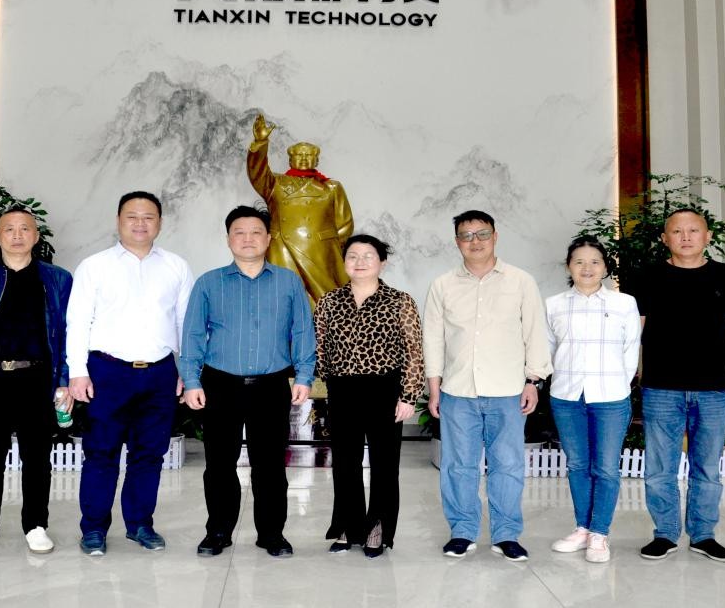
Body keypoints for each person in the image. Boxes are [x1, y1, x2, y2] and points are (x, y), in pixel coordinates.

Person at [180, 205, 316, 558]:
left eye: (256, 232)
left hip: (271, 385)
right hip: (220, 384)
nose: (248, 239)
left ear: (268, 238)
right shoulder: (209, 283)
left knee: (270, 465)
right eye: (239, 232)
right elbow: (192, 335)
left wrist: (304, 375)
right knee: (219, 465)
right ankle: (218, 531)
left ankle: (271, 534)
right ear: (228, 239)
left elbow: (303, 331)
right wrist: (191, 381)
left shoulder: (288, 281)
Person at [66, 192, 194, 557]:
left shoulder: (176, 267)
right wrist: (78, 372)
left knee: (149, 454)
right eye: (132, 216)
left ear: (160, 223)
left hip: (159, 373)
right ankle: (94, 528)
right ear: (118, 220)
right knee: (101, 453)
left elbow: (186, 324)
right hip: (107, 371)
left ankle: (140, 524)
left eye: (148, 217)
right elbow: (78, 322)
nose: (140, 223)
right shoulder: (94, 266)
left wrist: (186, 370)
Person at [423, 210, 552, 561]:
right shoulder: (443, 285)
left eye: (482, 234)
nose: (475, 241)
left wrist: (533, 381)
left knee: (507, 464)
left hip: (508, 390)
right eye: (467, 235)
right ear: (457, 242)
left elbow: (534, 333)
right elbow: (433, 339)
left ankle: (506, 534)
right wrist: (434, 388)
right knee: (457, 466)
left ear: (495, 237)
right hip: (457, 390)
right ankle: (462, 531)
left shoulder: (520, 281)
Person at [0, 206, 73, 555]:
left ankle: (36, 525)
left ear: (36, 236)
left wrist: (64, 381)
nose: (17, 235)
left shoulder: (57, 279)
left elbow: (69, 333)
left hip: (39, 378)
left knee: (37, 457)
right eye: (9, 229)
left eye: (25, 229)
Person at [635, 209, 725, 563]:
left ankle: (703, 535)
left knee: (707, 468)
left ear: (707, 236)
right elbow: (638, 327)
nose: (685, 237)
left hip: (711, 387)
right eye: (677, 231)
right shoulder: (649, 276)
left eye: (693, 230)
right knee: (660, 468)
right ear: (664, 238)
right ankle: (665, 534)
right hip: (661, 386)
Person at [315, 234, 424, 558]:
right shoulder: (329, 301)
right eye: (353, 256)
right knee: (344, 464)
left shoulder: (400, 301)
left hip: (385, 392)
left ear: (382, 262)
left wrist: (408, 396)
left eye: (368, 256)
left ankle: (378, 528)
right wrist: (329, 382)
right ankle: (348, 526)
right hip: (342, 391)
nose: (359, 262)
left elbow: (414, 352)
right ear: (344, 262)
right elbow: (319, 348)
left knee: (385, 465)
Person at [545, 236, 640, 563]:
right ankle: (582, 528)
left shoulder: (624, 303)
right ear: (569, 266)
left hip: (611, 396)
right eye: (579, 262)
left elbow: (631, 350)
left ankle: (600, 533)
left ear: (606, 267)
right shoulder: (554, 304)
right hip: (567, 396)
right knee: (577, 465)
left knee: (606, 468)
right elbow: (548, 350)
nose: (587, 268)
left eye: (595, 261)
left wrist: (618, 385)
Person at [247, 113, 354, 301]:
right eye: (299, 155)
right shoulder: (275, 183)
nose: (304, 159)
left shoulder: (332, 187)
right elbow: (257, 172)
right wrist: (260, 143)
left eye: (309, 155)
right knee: (284, 298)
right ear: (290, 160)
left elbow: (345, 224)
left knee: (327, 303)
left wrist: (330, 247)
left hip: (320, 253)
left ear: (317, 160)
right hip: (283, 250)